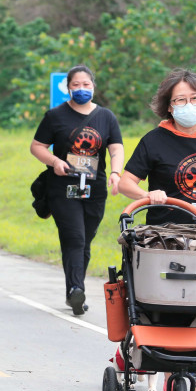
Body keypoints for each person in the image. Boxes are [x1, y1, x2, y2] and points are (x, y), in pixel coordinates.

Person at [118, 68, 196, 391]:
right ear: (169, 106)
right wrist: (146, 195)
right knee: (174, 308)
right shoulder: (154, 140)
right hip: (167, 238)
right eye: (181, 100)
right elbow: (125, 181)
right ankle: (180, 376)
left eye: (195, 99)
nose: (189, 105)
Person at [30, 64, 124, 315]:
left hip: (95, 187)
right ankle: (75, 290)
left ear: (93, 86)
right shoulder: (55, 116)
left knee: (86, 241)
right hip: (63, 186)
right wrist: (55, 161)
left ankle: (75, 290)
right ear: (68, 88)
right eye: (76, 85)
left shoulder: (106, 117)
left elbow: (116, 148)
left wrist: (115, 173)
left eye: (86, 84)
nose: (81, 89)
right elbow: (37, 146)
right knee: (74, 237)